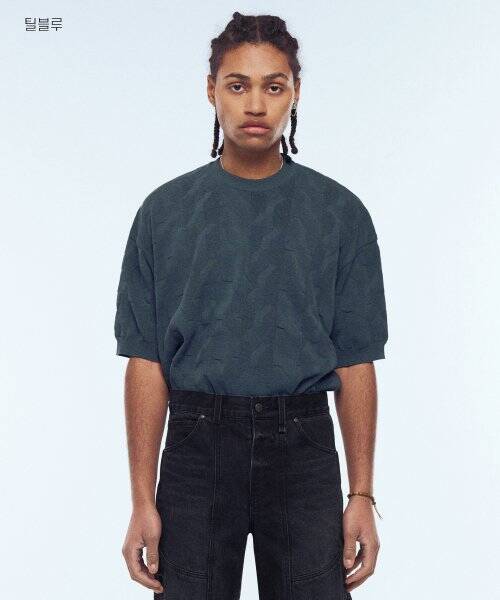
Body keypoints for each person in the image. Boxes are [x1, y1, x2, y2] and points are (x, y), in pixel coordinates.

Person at [114, 11, 388, 600]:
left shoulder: (340, 214)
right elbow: (146, 360)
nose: (256, 105)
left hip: (304, 448)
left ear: (295, 92)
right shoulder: (163, 213)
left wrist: (362, 494)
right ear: (210, 90)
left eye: (274, 85)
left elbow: (355, 361)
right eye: (237, 85)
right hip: (195, 449)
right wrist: (141, 499)